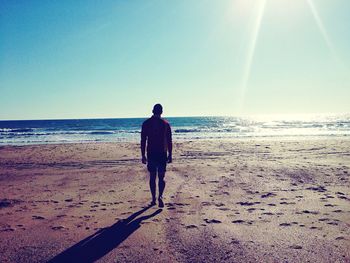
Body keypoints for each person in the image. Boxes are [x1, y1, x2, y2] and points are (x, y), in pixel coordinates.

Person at [141, 104, 172, 207]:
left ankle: (154, 199)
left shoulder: (146, 123)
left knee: (152, 177)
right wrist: (170, 154)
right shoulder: (165, 124)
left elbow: (143, 141)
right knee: (161, 177)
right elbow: (169, 141)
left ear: (152, 111)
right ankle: (160, 197)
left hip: (151, 153)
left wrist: (143, 155)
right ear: (162, 112)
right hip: (162, 154)